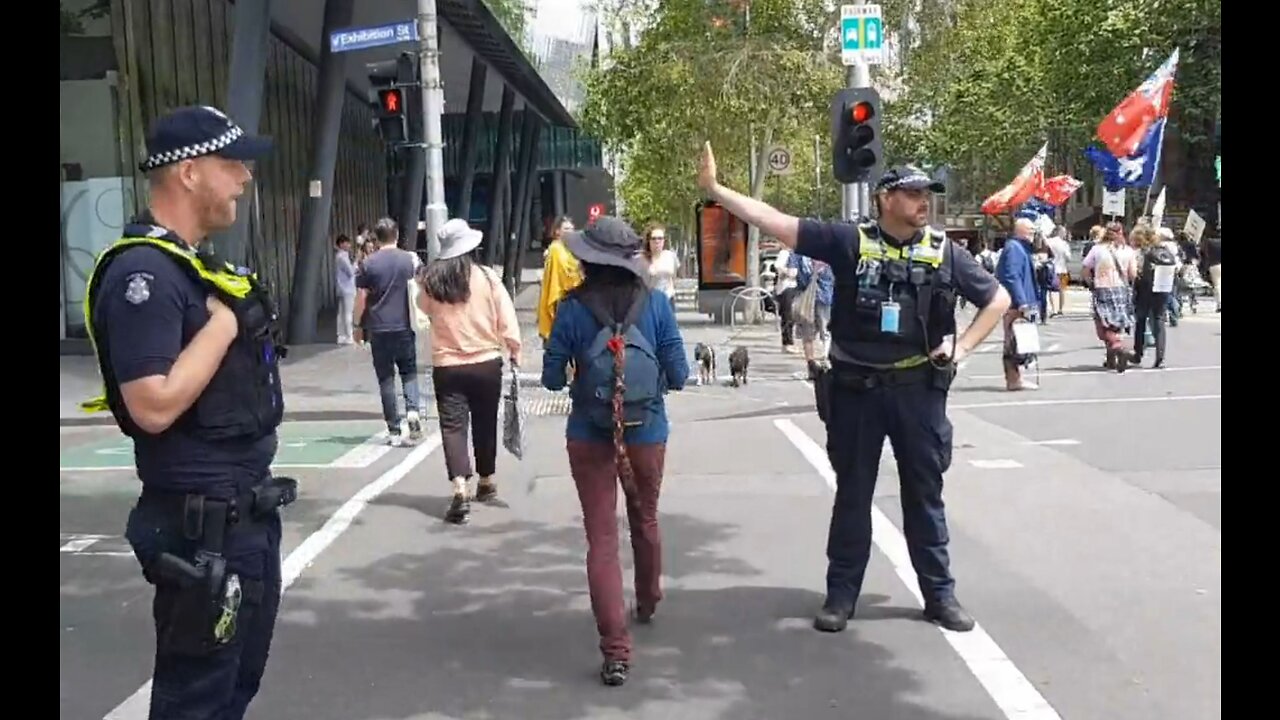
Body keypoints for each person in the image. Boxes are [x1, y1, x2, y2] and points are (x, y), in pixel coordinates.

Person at [695, 142, 1010, 634]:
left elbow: (998, 299)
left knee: (924, 496)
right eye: (912, 193)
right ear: (886, 198)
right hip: (855, 390)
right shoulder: (847, 242)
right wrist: (716, 191)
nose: (923, 201)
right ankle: (841, 595)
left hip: (917, 391)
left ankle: (939, 595)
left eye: (927, 194)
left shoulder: (945, 252)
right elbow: (775, 221)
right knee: (853, 495)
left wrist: (963, 349)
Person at [81, 105, 295, 719]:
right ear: (190, 172)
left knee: (230, 690)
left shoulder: (195, 265)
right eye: (233, 165)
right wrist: (224, 325)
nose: (244, 179)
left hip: (239, 516)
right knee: (196, 700)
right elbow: (151, 405)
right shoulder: (143, 272)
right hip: (203, 526)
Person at [541, 216, 689, 687]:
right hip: (646, 431)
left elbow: (549, 378)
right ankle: (647, 598)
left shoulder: (571, 309)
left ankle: (616, 651)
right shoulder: (658, 304)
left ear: (587, 259)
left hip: (590, 431)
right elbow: (680, 373)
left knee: (601, 540)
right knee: (645, 519)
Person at [416, 219, 522, 524]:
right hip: (487, 362)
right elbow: (506, 317)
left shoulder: (431, 282)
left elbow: (422, 307)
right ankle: (486, 481)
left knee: (453, 427)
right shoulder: (487, 278)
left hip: (447, 365)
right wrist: (514, 348)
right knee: (484, 422)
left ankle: (460, 487)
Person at [354, 218, 425, 446]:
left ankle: (394, 430)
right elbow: (422, 285)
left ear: (376, 237)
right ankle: (413, 411)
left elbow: (362, 297)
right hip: (404, 325)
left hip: (378, 328)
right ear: (396, 235)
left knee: (385, 379)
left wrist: (357, 325)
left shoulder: (368, 263)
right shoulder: (410, 259)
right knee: (409, 372)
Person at [1129, 224, 1177, 368]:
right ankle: (1160, 357)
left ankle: (1138, 354)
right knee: (1159, 321)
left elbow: (1136, 272)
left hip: (1145, 290)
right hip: (1162, 290)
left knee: (1141, 321)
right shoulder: (1164, 250)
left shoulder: (1141, 253)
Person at [334, 234, 357, 344]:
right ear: (342, 244)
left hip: (341, 288)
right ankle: (349, 336)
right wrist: (356, 263)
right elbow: (351, 272)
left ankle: (341, 335)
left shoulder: (339, 256)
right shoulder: (343, 256)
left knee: (341, 312)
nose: (349, 245)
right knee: (348, 312)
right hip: (348, 289)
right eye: (347, 243)